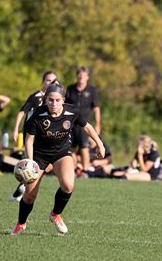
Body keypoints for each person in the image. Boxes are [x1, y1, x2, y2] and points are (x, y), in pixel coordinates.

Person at [10, 82, 105, 235]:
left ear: (63, 100)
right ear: (46, 100)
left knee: (68, 186)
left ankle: (55, 214)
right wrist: (30, 162)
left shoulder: (72, 111)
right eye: (50, 100)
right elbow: (29, 140)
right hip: (40, 156)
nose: (54, 103)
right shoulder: (38, 115)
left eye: (57, 100)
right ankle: (21, 224)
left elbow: (87, 126)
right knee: (29, 196)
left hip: (61, 153)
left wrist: (99, 144)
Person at [9, 71, 57, 201]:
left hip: (45, 137)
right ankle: (22, 192)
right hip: (31, 136)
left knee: (44, 166)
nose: (51, 83)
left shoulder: (54, 100)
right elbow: (22, 112)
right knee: (32, 165)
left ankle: (20, 190)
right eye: (48, 80)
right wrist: (15, 130)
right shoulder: (36, 96)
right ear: (43, 81)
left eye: (54, 81)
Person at [65, 66, 101, 172]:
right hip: (71, 123)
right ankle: (74, 170)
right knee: (71, 148)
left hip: (84, 124)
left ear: (87, 77)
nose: (81, 77)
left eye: (84, 75)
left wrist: (98, 124)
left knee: (84, 147)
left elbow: (96, 108)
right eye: (79, 74)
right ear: (77, 76)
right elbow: (65, 105)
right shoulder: (70, 89)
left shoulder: (92, 90)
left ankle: (85, 170)